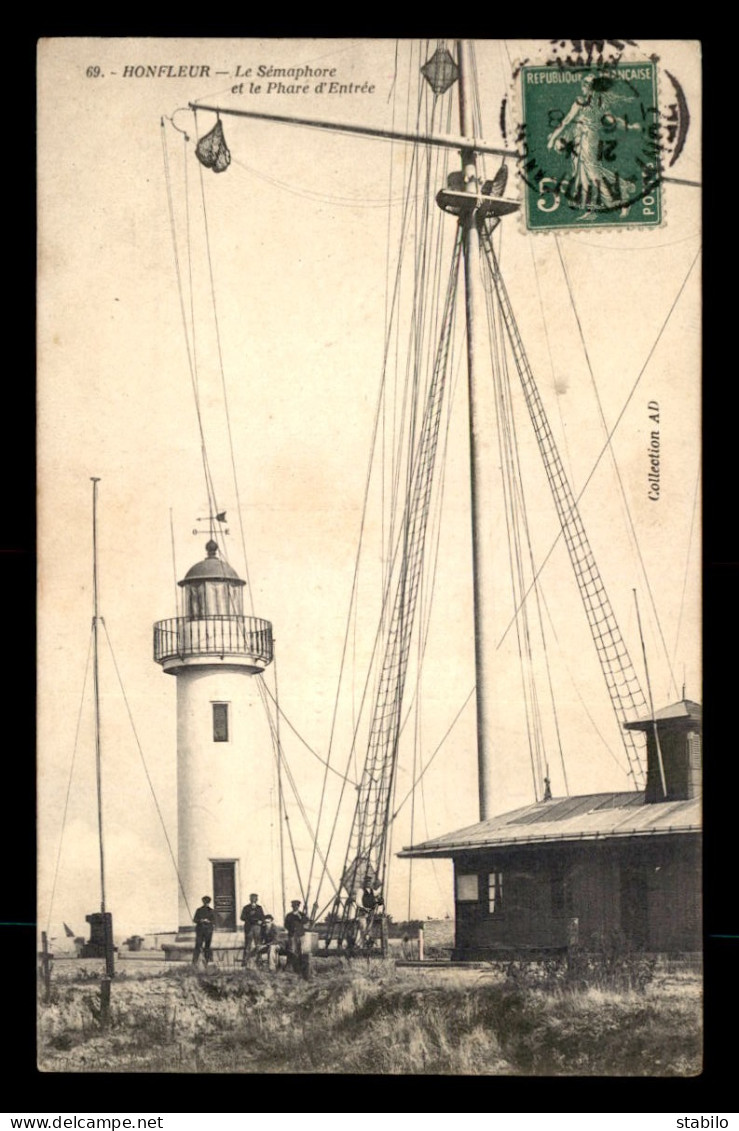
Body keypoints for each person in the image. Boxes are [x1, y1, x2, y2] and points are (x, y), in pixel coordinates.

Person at [240, 893, 266, 966]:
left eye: (255, 899)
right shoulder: (246, 908)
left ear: (257, 900)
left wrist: (261, 921)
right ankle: (245, 961)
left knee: (258, 944)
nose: (253, 900)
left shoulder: (259, 908)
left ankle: (259, 961)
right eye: (252, 898)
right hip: (249, 927)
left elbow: (263, 917)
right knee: (247, 945)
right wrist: (249, 917)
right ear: (250, 899)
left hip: (257, 928)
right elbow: (242, 917)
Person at [284, 899, 309, 973]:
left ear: (298, 907)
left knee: (301, 950)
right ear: (292, 907)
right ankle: (293, 967)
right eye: (294, 906)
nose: (295, 907)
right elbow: (286, 925)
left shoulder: (302, 914)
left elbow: (305, 921)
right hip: (292, 935)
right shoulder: (289, 915)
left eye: (297, 906)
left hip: (301, 935)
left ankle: (301, 967)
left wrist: (300, 917)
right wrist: (291, 930)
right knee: (292, 950)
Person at [192, 895, 215, 966]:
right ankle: (194, 962)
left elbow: (214, 921)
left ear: (209, 902)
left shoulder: (212, 911)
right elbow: (194, 920)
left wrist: (209, 921)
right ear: (203, 902)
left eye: (207, 902)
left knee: (207, 947)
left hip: (208, 931)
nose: (206, 903)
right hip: (200, 931)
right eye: (205, 902)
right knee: (198, 946)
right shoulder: (199, 910)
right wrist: (201, 920)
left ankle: (207, 962)